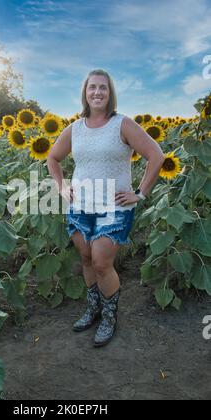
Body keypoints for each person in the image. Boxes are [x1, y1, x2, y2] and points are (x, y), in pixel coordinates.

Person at [47, 69, 164, 347]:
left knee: (101, 262)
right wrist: (61, 186)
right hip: (80, 206)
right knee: (86, 259)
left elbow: (156, 156)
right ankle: (94, 309)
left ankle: (110, 316)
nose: (97, 92)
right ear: (85, 93)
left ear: (110, 93)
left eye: (103, 88)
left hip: (114, 207)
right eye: (92, 88)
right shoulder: (74, 128)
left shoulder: (122, 124)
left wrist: (140, 194)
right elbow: (53, 158)